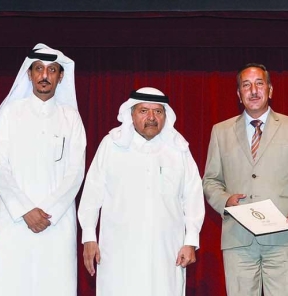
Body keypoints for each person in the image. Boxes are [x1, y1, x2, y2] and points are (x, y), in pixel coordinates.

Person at [0, 44, 86, 296]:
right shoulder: (9, 113)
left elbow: (76, 171)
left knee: (55, 283)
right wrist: (25, 209)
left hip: (56, 222)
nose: (45, 75)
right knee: (11, 283)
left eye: (52, 70)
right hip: (14, 218)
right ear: (29, 75)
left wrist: (49, 211)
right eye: (38, 69)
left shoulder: (71, 117)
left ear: (61, 77)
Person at [78, 87, 205, 296]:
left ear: (166, 115)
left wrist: (191, 241)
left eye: (158, 111)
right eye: (144, 111)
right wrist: (89, 237)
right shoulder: (111, 145)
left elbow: (193, 197)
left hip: (166, 251)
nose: (152, 117)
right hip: (118, 252)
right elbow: (91, 194)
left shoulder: (178, 148)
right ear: (131, 114)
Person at [202, 63, 288, 296]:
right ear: (239, 94)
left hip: (283, 234)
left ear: (270, 90)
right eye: (246, 85)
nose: (253, 90)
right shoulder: (221, 131)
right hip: (238, 237)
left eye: (259, 84)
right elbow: (210, 180)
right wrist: (226, 200)